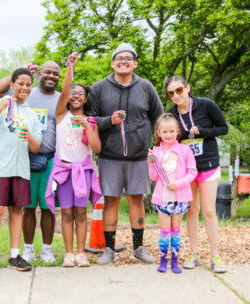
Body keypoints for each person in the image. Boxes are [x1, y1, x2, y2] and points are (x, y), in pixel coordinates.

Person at [87, 42, 164, 264]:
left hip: (138, 156)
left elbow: (158, 117)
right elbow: (91, 120)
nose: (123, 61)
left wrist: (154, 145)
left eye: (128, 58)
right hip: (109, 155)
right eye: (119, 58)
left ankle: (138, 248)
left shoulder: (146, 86)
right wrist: (108, 120)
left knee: (136, 200)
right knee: (110, 201)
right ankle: (109, 249)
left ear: (135, 63)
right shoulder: (99, 87)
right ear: (112, 63)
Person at [0, 61, 61, 263]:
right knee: (26, 206)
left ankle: (47, 249)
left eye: (56, 73)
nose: (51, 76)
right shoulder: (27, 92)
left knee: (48, 207)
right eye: (47, 72)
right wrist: (21, 70)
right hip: (25, 158)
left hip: (49, 158)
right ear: (39, 75)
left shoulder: (60, 98)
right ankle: (27, 248)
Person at [0, 68, 42, 277]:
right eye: (20, 84)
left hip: (20, 169)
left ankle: (15, 255)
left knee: (17, 210)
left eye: (28, 84)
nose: (24, 88)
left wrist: (29, 138)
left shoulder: (31, 114)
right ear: (12, 84)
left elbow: (36, 147)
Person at [44, 53, 102, 267]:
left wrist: (87, 126)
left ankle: (81, 253)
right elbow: (65, 91)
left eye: (81, 94)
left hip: (83, 172)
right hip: (64, 171)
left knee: (81, 213)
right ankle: (69, 254)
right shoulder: (61, 115)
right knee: (66, 213)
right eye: (73, 93)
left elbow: (96, 148)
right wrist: (71, 67)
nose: (76, 96)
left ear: (86, 99)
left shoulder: (91, 120)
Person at [166, 76, 228, 273]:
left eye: (179, 90)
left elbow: (223, 129)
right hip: (186, 169)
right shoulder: (171, 114)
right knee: (191, 210)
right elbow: (166, 137)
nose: (176, 95)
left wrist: (203, 131)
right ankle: (194, 253)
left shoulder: (206, 105)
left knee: (209, 210)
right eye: (171, 93)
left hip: (208, 164)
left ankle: (215, 256)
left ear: (187, 88)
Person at [148, 114, 197, 273]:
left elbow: (192, 172)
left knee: (176, 230)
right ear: (159, 133)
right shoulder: (157, 152)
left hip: (179, 197)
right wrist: (151, 163)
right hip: (162, 198)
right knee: (164, 231)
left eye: (171, 131)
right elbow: (154, 177)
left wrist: (178, 184)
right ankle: (163, 261)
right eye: (165, 132)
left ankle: (174, 262)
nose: (168, 135)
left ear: (177, 131)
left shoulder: (185, 150)